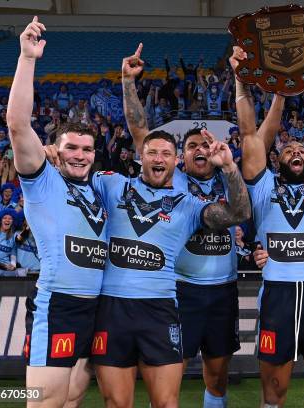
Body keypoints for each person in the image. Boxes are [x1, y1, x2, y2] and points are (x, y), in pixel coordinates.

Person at [81, 43, 251, 408]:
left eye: (165, 154)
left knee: (170, 400)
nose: (159, 158)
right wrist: (127, 82)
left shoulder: (189, 204)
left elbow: (237, 214)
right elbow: (133, 131)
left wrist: (230, 168)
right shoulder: (114, 184)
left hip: (164, 305)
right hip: (117, 305)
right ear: (140, 156)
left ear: (176, 162)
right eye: (152, 153)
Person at [122, 44, 268, 406]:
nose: (200, 149)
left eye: (205, 143)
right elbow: (141, 132)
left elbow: (242, 207)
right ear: (181, 155)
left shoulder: (229, 178)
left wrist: (229, 166)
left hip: (224, 290)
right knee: (172, 370)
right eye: (191, 145)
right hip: (182, 290)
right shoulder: (172, 180)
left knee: (218, 374)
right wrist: (128, 83)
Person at [231, 42, 304, 407]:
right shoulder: (263, 185)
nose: (296, 152)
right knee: (273, 395)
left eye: (302, 149)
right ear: (276, 159)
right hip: (277, 295)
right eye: (287, 150)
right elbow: (250, 136)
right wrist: (242, 81)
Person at [7, 17, 109, 407]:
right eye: (71, 148)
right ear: (56, 150)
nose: (80, 155)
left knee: (72, 399)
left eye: (86, 149)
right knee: (45, 400)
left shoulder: (98, 188)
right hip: (59, 303)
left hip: (96, 306)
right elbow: (17, 125)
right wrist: (27, 58)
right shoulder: (43, 181)